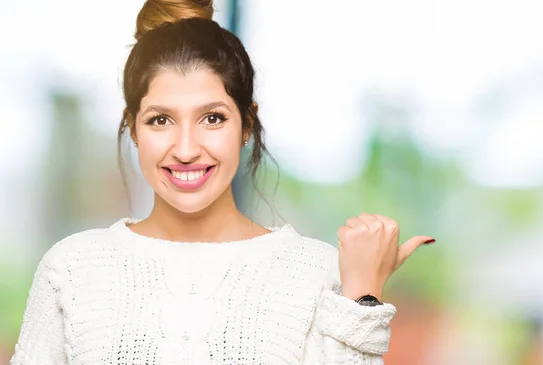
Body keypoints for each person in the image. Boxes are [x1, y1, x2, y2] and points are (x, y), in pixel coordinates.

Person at [9, 1, 436, 364]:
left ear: (247, 124)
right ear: (133, 128)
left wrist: (361, 295)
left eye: (212, 118)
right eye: (161, 120)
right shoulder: (71, 267)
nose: (186, 148)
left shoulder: (317, 273)